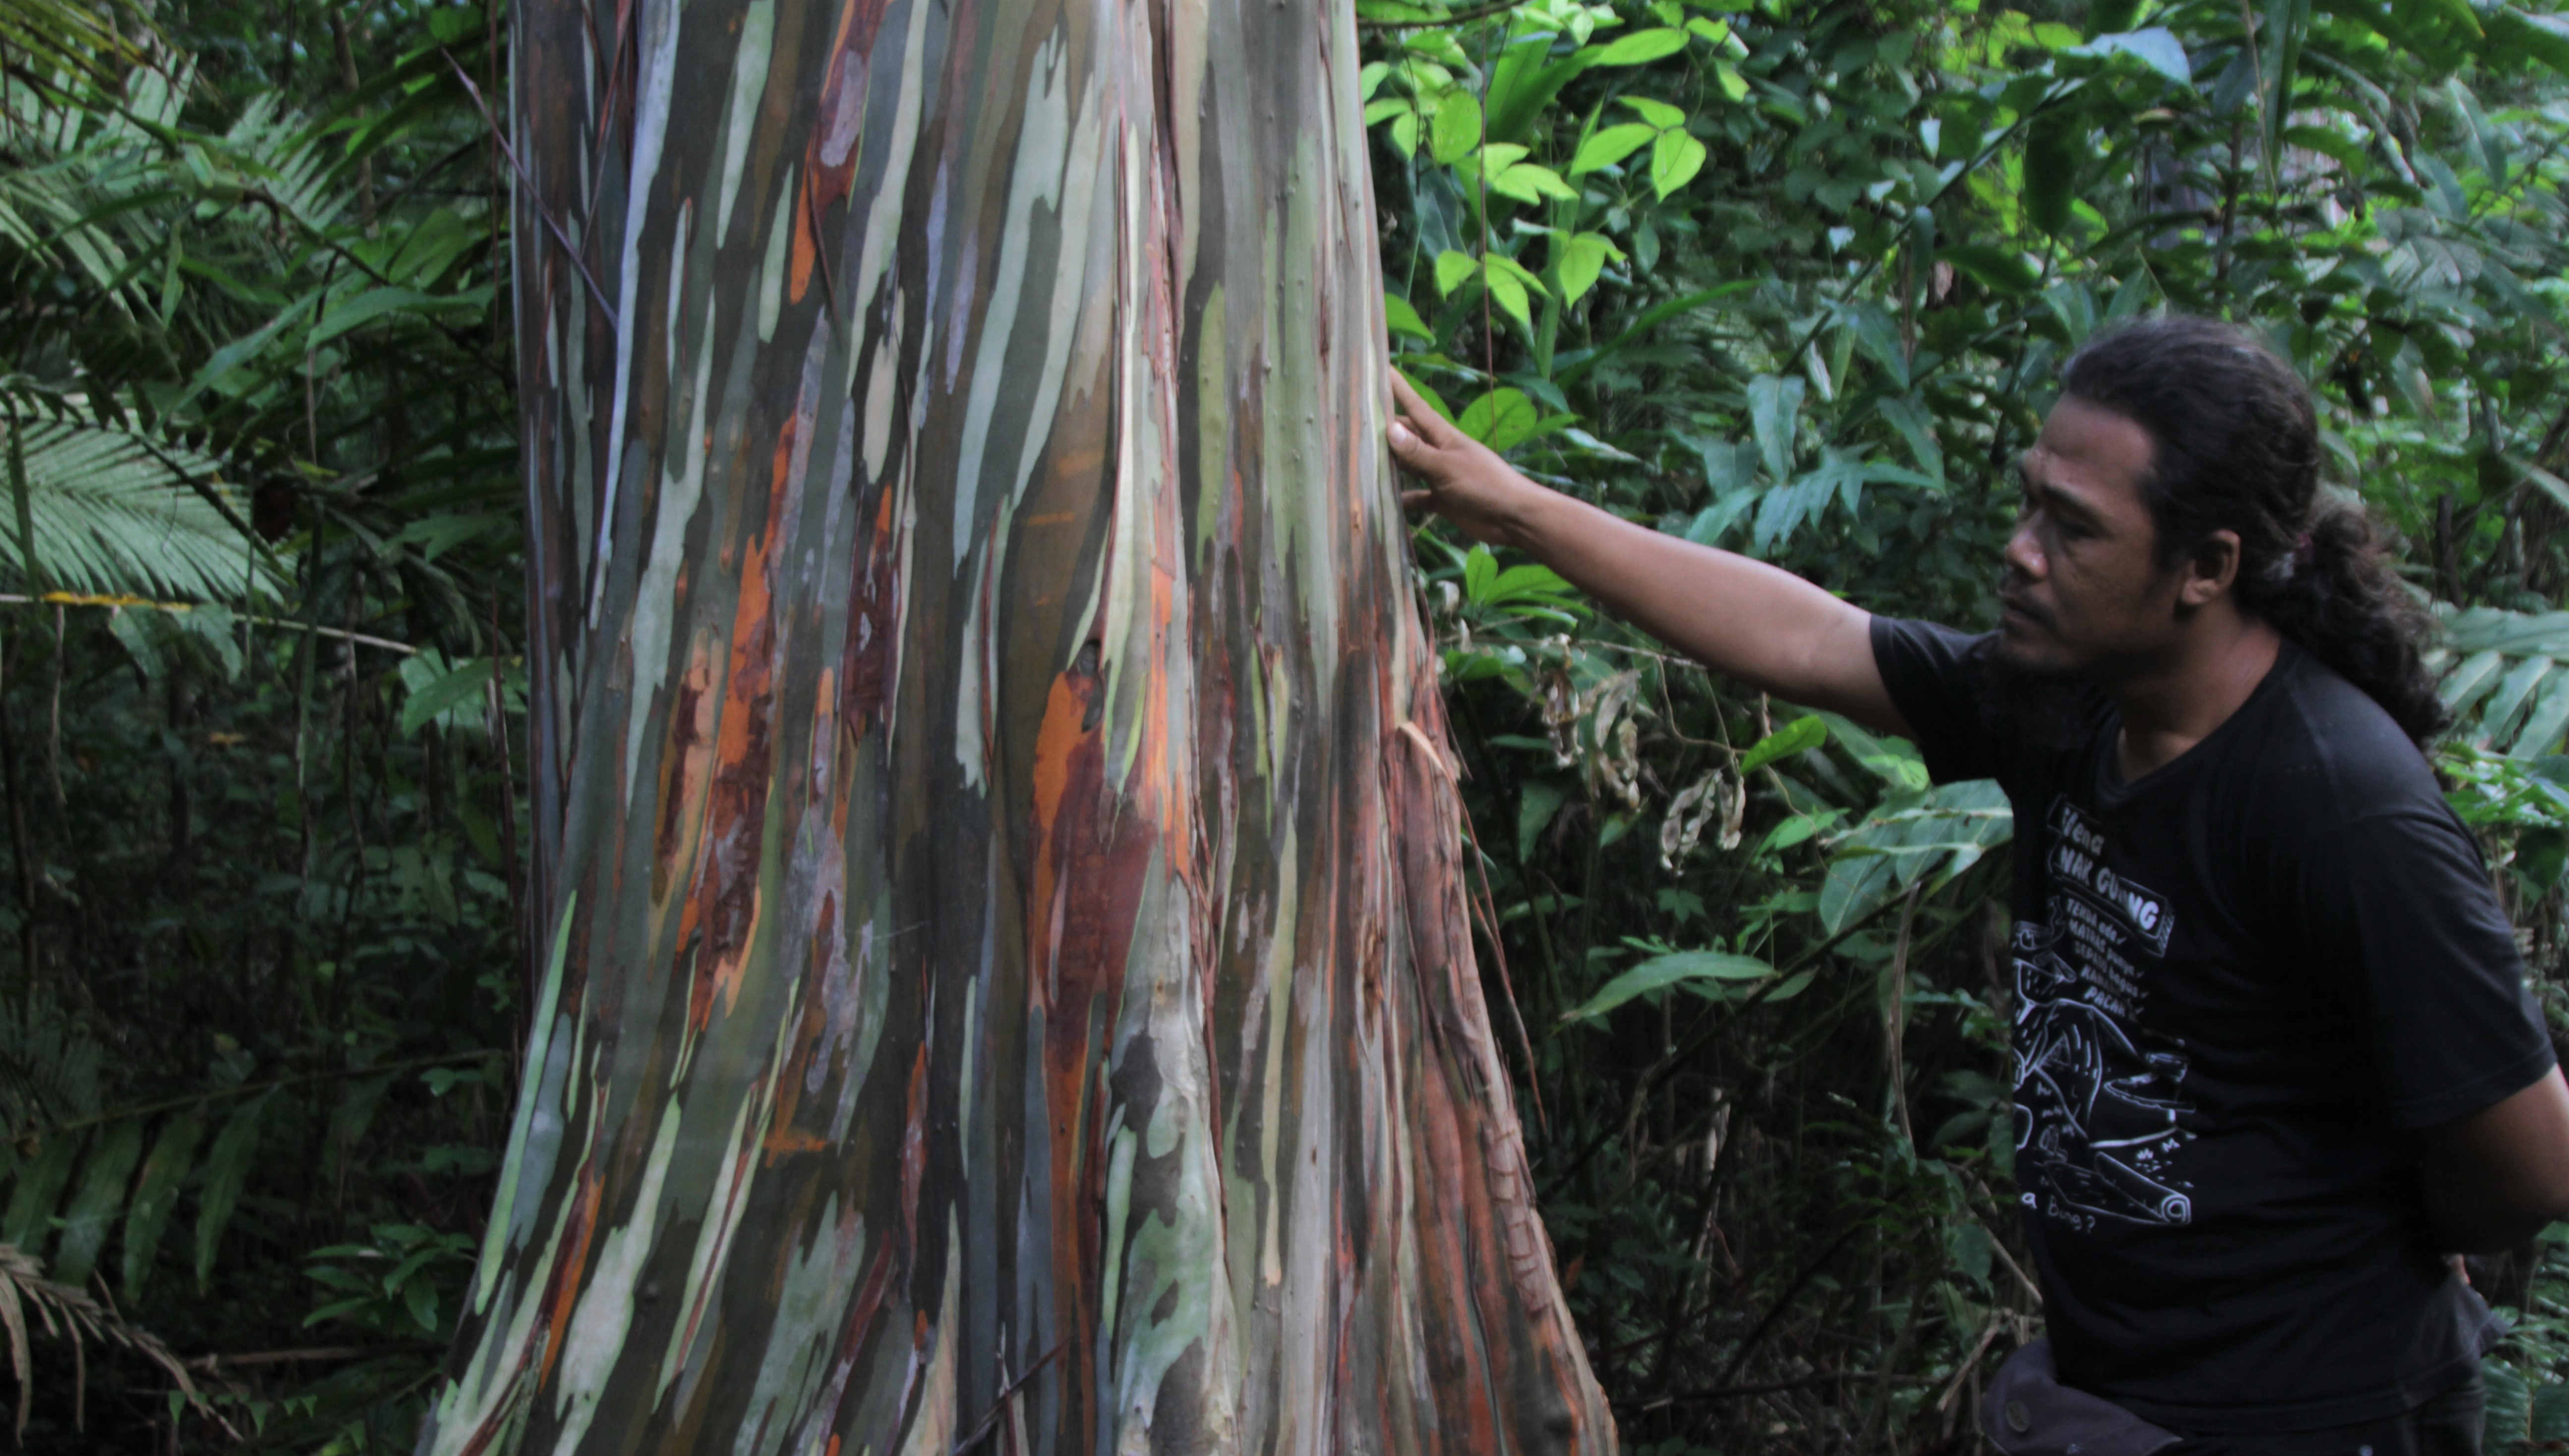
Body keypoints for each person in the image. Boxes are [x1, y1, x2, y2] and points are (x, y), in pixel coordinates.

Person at [1386, 316, 2569, 1454]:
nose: (2021, 547)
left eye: (2073, 525)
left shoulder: (2335, 800)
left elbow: (2530, 1159)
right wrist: (1521, 511)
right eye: (2028, 500)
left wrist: (2379, 1227)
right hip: (2125, 1396)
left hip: (2310, 1412)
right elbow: (1811, 640)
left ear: (2207, 566)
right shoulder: (2071, 702)